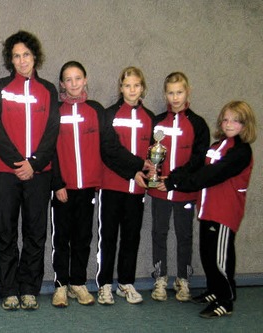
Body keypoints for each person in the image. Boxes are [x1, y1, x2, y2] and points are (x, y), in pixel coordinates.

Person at [159, 101, 256, 318]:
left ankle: (226, 300)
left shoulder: (241, 152)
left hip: (225, 212)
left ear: (245, 124)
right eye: (226, 119)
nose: (229, 124)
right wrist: (174, 177)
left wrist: (177, 184)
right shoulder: (216, 146)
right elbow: (198, 168)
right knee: (207, 254)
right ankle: (214, 290)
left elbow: (211, 175)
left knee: (220, 259)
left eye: (236, 120)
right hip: (208, 210)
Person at [0, 30, 59, 310]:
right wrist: (20, 162)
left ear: (34, 57)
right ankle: (8, 290)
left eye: (26, 55)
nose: (21, 60)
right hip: (5, 173)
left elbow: (53, 131)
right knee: (5, 232)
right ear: (10, 60)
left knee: (34, 232)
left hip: (39, 174)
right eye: (16, 56)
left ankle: (29, 288)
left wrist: (34, 163)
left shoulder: (49, 90)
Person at [148, 72, 209, 302]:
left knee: (184, 235)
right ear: (165, 94)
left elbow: (197, 159)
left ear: (188, 92)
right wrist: (154, 175)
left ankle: (183, 279)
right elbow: (149, 154)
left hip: (184, 191)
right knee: (159, 233)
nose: (175, 97)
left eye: (179, 92)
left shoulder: (198, 123)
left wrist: (172, 180)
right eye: (171, 93)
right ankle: (160, 277)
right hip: (159, 191)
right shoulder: (157, 121)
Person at [97, 66, 155, 305]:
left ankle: (126, 283)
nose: (132, 90)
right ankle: (104, 285)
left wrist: (149, 169)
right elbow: (109, 152)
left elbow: (153, 154)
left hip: (137, 190)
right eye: (127, 85)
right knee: (108, 237)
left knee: (131, 237)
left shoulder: (150, 118)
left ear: (142, 88)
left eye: (137, 85)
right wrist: (136, 169)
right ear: (120, 88)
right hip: (112, 187)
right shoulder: (109, 114)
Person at [50, 61, 105, 307]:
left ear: (85, 80)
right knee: (61, 237)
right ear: (62, 84)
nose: (73, 83)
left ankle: (78, 283)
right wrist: (57, 183)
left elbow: (107, 146)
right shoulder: (55, 111)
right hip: (63, 188)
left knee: (83, 237)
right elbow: (50, 150)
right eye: (68, 79)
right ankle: (61, 285)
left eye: (78, 78)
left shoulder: (96, 110)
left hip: (88, 188)